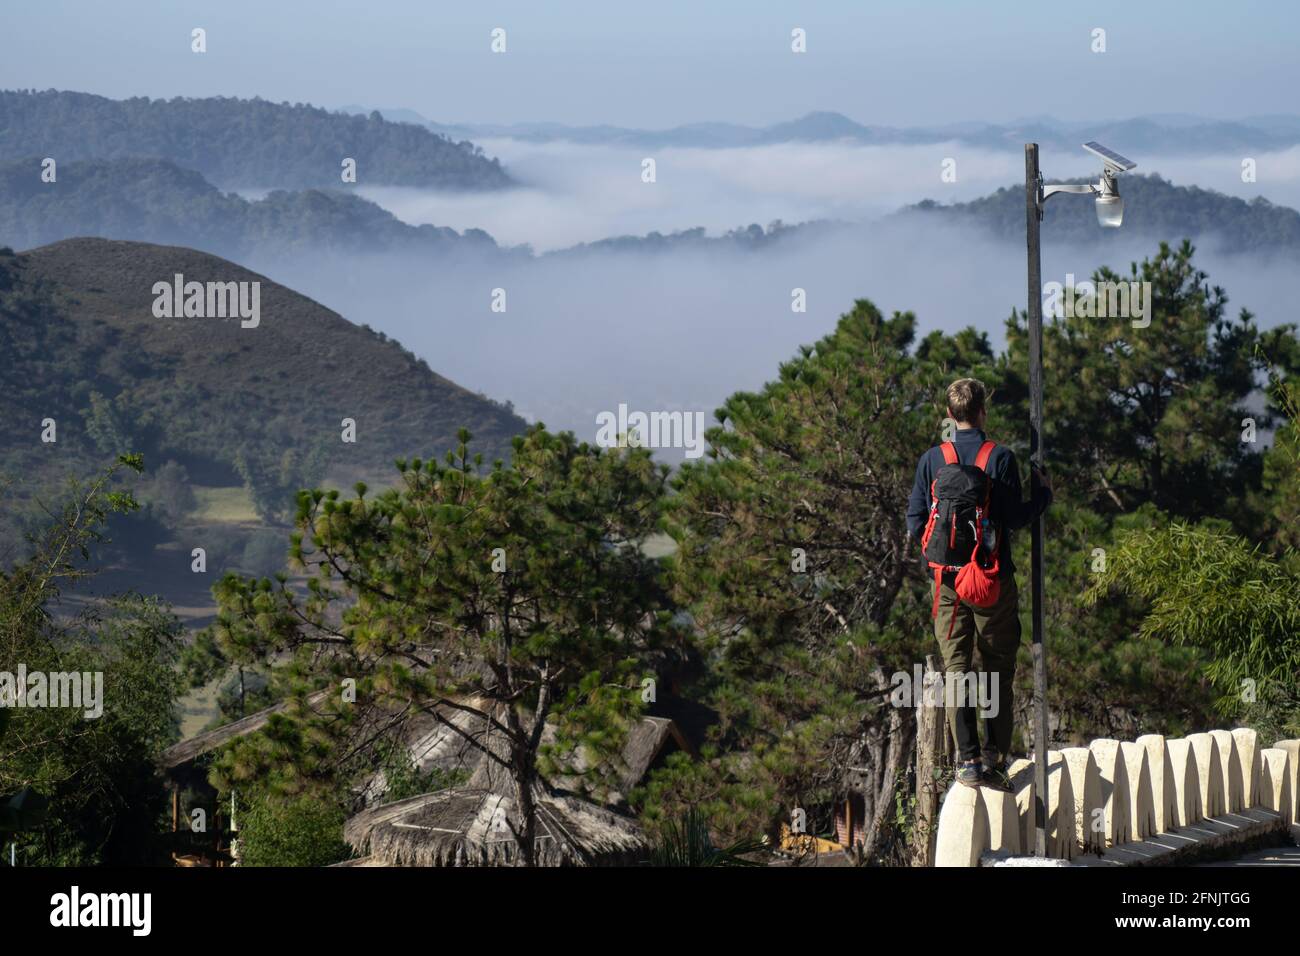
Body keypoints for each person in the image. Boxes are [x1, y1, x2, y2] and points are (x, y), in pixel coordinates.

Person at [905, 378, 1052, 791]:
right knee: (997, 669)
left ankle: (967, 762)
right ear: (983, 411)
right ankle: (995, 757)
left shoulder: (933, 459)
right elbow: (1016, 518)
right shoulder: (1000, 458)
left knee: (956, 671)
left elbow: (916, 519)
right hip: (990, 582)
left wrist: (939, 559)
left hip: (948, 584)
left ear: (950, 416)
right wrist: (1043, 496)